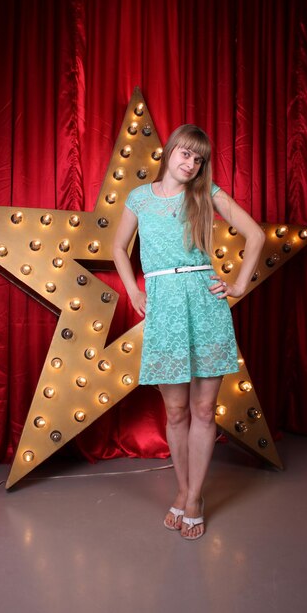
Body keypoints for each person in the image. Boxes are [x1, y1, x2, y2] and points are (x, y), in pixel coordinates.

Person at [113, 124, 265, 540]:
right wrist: (132, 290)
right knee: (176, 411)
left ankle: (194, 498)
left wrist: (237, 285)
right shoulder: (140, 198)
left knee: (202, 410)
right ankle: (182, 490)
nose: (191, 162)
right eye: (185, 153)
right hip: (163, 308)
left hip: (204, 302)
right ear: (169, 151)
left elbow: (256, 235)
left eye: (198, 158)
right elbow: (117, 247)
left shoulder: (207, 194)